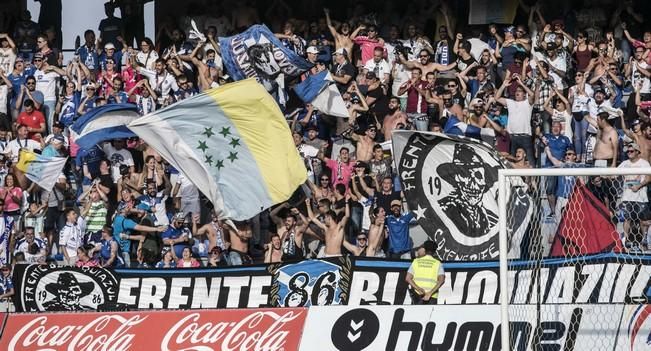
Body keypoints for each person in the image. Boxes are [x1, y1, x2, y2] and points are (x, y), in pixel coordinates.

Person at [618, 143, 651, 251]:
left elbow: (649, 177)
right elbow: (614, 173)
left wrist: (639, 186)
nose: (629, 153)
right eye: (628, 151)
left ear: (637, 152)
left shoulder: (644, 163)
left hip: (640, 197)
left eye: (631, 151)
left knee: (643, 220)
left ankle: (644, 241)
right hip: (627, 197)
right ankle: (626, 242)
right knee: (627, 219)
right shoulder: (624, 163)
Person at [405, 240, 445, 304]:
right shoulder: (437, 264)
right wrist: (430, 293)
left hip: (418, 295)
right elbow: (441, 280)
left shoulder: (416, 261)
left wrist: (418, 288)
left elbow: (408, 278)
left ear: (424, 250)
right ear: (435, 251)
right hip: (432, 296)